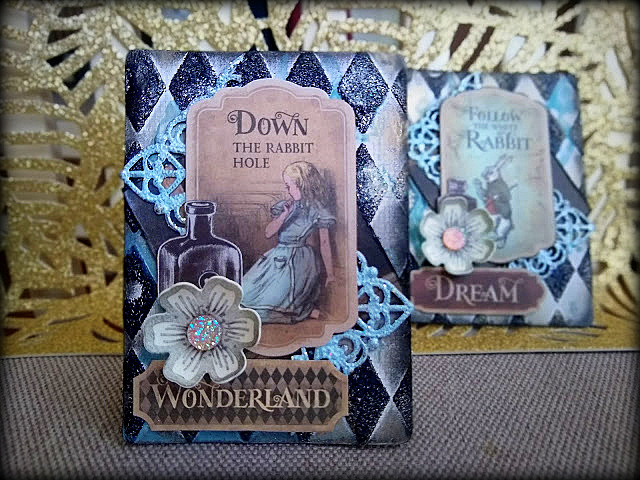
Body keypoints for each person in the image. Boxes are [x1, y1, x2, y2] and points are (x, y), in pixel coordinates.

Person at [241, 161, 336, 324]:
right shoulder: (287, 206)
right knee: (244, 293)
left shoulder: (317, 210)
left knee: (274, 301)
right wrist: (283, 215)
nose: (287, 190)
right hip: (276, 256)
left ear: (302, 185)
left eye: (289, 186)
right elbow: (268, 233)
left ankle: (303, 311)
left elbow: (325, 243)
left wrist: (331, 274)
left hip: (298, 261)